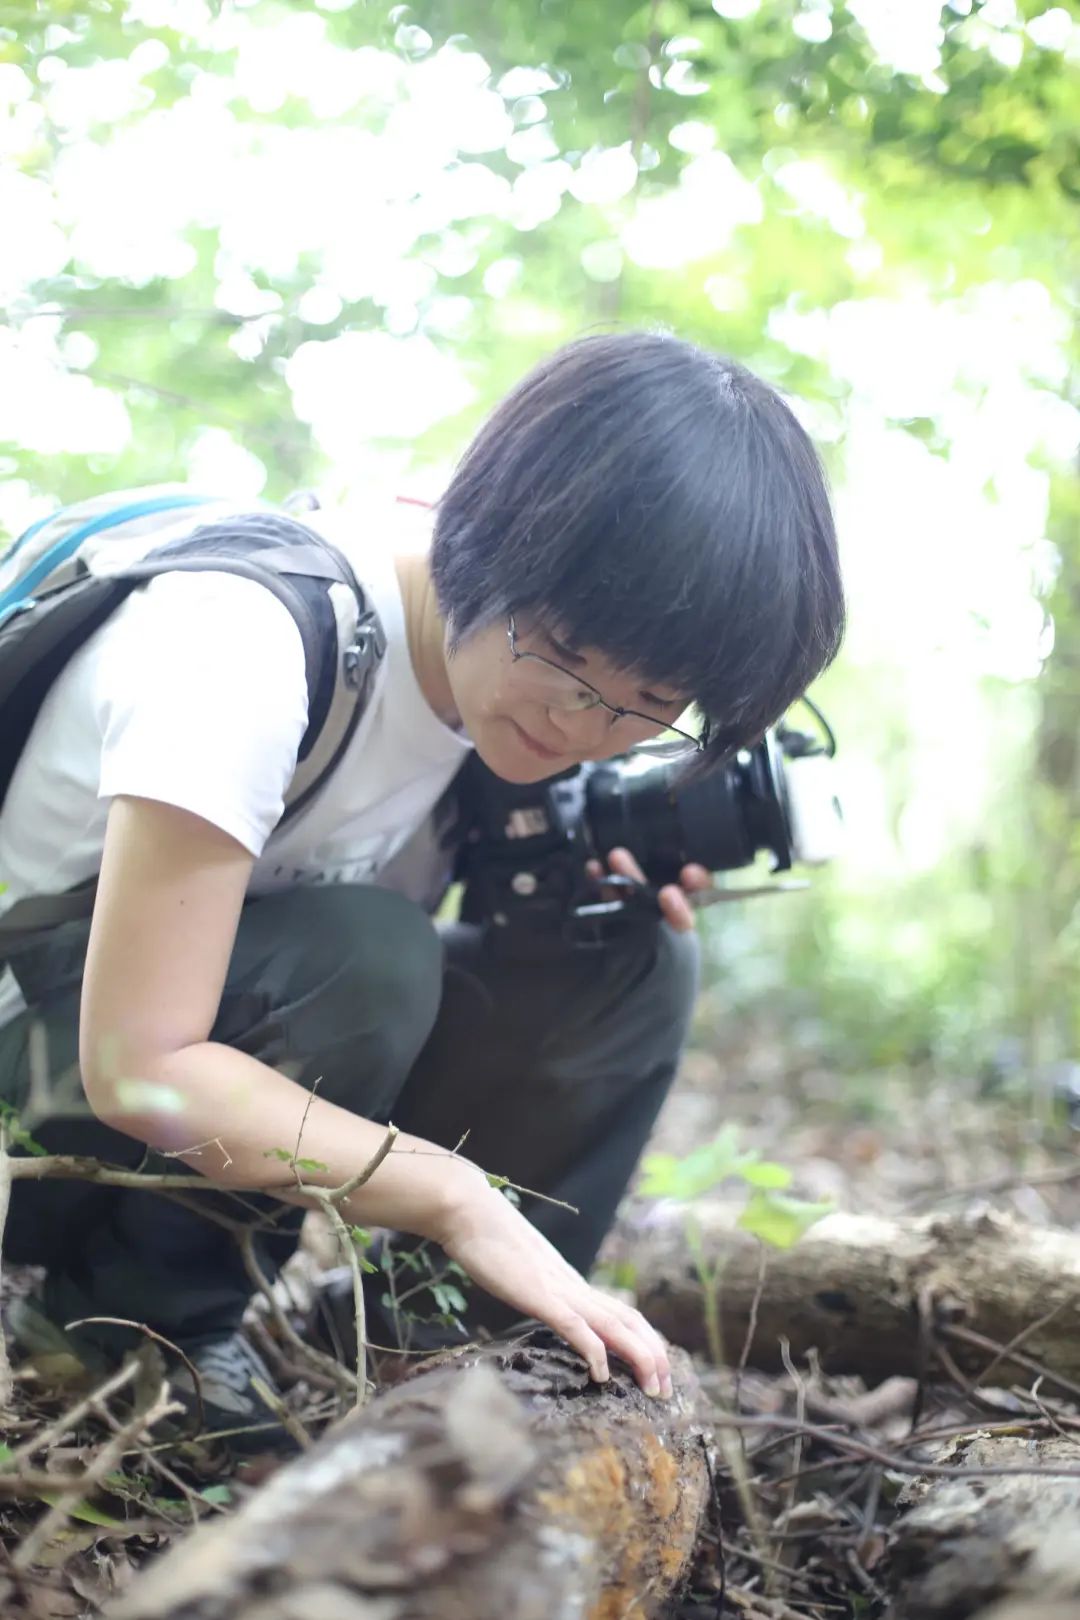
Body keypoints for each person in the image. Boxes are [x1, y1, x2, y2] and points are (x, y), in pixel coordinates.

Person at [0, 331, 844, 1444]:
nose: (579, 726)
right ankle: (130, 1339)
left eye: (645, 702)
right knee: (367, 959)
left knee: (629, 958)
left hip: (163, 1076)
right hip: (44, 1095)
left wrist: (572, 886)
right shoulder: (245, 641)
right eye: (564, 652)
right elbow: (137, 1071)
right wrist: (454, 1198)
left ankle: (445, 1365)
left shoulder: (508, 694)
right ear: (489, 535)